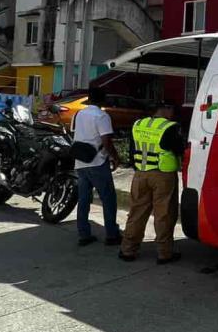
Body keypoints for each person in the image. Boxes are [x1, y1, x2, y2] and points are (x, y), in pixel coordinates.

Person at [119, 100, 184, 264]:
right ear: (164, 109)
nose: (173, 113)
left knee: (137, 213)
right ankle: (164, 253)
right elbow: (179, 149)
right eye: (172, 109)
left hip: (141, 174)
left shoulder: (138, 124)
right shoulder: (170, 127)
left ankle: (128, 249)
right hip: (163, 176)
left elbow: (132, 150)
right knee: (164, 214)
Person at [73, 86, 122, 247]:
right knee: (108, 199)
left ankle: (83, 234)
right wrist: (115, 157)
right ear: (102, 99)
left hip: (80, 160)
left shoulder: (80, 113)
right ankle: (112, 234)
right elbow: (106, 141)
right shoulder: (102, 116)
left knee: (84, 199)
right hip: (97, 161)